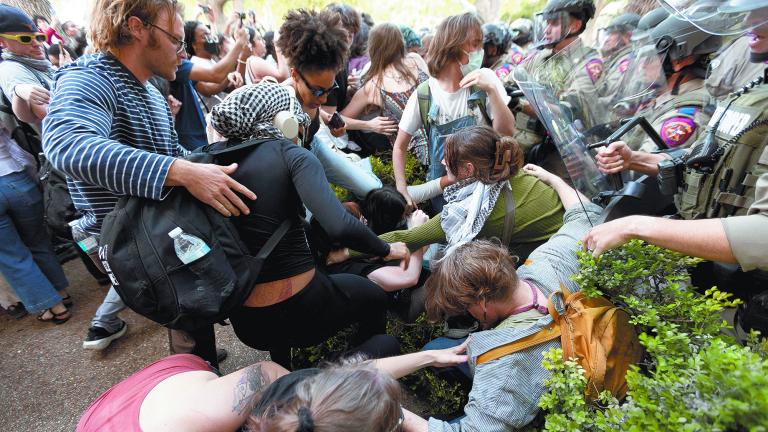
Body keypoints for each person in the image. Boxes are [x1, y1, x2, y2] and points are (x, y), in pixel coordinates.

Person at [43, 0, 254, 364]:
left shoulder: (152, 92)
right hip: (127, 241)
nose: (182, 50)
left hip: (160, 231)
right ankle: (195, 375)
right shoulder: (88, 77)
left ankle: (197, 355)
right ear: (137, 27)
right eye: (176, 38)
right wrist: (185, 172)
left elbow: (173, 153)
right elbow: (67, 146)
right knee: (186, 305)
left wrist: (217, 155)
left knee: (194, 304)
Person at [590, 0, 768, 330]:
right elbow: (708, 158)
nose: (749, 20)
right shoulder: (752, 88)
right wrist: (636, 159)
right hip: (719, 270)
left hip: (751, 289)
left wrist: (638, 226)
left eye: (762, 11)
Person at [208, 82, 410, 368]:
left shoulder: (213, 163)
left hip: (247, 322)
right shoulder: (291, 155)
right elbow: (339, 226)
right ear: (285, 121)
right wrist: (387, 249)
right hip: (301, 307)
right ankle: (345, 373)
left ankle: (285, 367)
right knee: (374, 298)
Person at [415, 163, 603, 431]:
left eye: (465, 306)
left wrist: (398, 417)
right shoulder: (548, 262)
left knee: (434, 355)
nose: (466, 313)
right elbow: (586, 217)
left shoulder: (505, 365)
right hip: (576, 343)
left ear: (481, 303)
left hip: (528, 383)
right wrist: (553, 177)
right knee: (434, 352)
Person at [76, 343, 469, 432]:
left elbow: (348, 381)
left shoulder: (267, 381)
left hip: (146, 396)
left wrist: (428, 357)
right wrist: (408, 421)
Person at [340, 126, 564, 264]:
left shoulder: (468, 215)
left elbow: (407, 239)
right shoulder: (510, 172)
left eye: (448, 158)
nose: (442, 162)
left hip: (553, 257)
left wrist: (346, 252)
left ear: (468, 170)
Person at [393, 12, 515, 210]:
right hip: (445, 198)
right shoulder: (425, 94)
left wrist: (491, 91)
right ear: (453, 45)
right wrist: (402, 187)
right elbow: (399, 147)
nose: (480, 51)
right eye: (475, 44)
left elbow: (507, 132)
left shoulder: (487, 79)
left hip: (486, 190)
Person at [0, 4, 72, 324]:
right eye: (26, 36)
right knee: (38, 241)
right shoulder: (10, 71)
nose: (36, 42)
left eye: (38, 35)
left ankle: (51, 305)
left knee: (14, 254)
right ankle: (61, 293)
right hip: (18, 179)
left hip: (20, 178)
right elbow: (16, 123)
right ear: (4, 42)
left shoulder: (30, 64)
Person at [277, 7, 382, 199]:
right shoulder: (284, 101)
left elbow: (319, 111)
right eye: (318, 91)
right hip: (297, 163)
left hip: (316, 146)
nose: (324, 99)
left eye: (330, 89)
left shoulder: (319, 84)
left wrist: (329, 119)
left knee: (372, 186)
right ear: (295, 75)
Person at [620, 13, 721, 152]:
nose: (641, 66)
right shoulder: (662, 95)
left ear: (679, 61)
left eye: (650, 57)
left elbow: (642, 167)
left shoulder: (686, 115)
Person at [340, 23, 430, 165]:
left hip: (411, 159)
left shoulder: (374, 85)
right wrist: (369, 124)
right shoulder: (416, 60)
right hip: (443, 141)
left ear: (373, 48)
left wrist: (369, 125)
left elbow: (338, 120)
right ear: (401, 42)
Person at [172, 24, 248, 150]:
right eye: (204, 36)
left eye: (209, 33)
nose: (210, 38)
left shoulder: (210, 61)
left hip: (206, 133)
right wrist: (240, 43)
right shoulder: (185, 64)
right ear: (194, 45)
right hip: (191, 139)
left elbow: (217, 85)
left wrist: (230, 75)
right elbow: (214, 78)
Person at [595, 13, 640, 104]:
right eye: (607, 34)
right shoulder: (615, 60)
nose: (606, 39)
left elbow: (611, 94)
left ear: (627, 36)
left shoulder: (627, 61)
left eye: (612, 34)